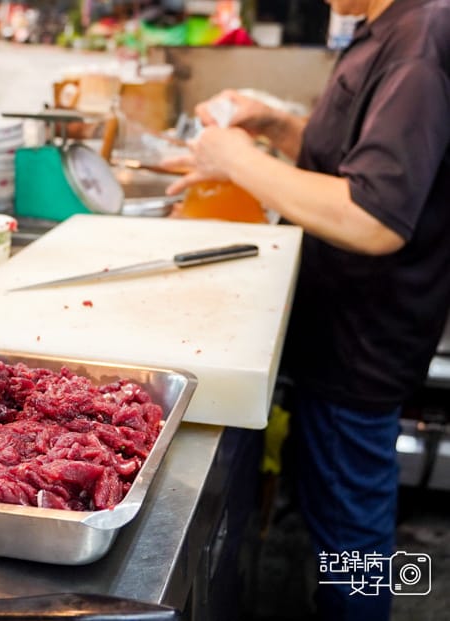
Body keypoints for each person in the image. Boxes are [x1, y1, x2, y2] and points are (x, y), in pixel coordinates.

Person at [162, 0, 450, 619]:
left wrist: (235, 157)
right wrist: (271, 124)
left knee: (355, 537)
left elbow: (373, 215)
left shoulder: (424, 40)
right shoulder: (383, 31)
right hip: (336, 330)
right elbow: (346, 161)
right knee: (335, 515)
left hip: (363, 344)